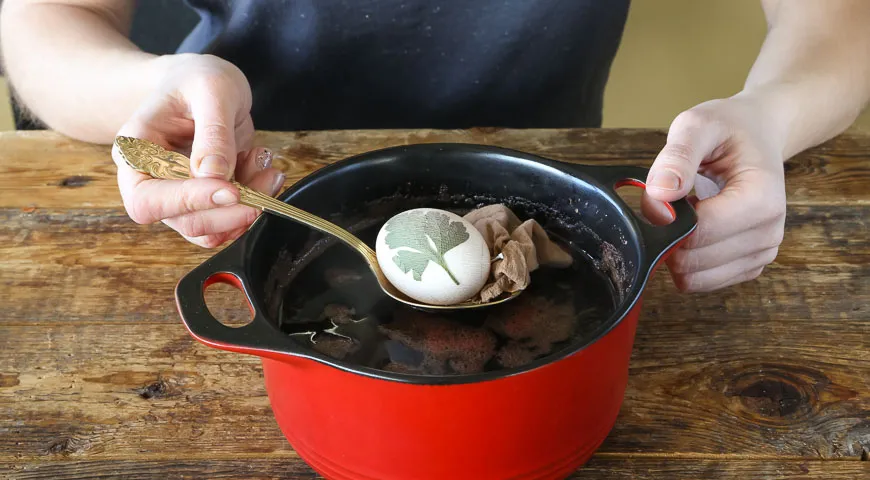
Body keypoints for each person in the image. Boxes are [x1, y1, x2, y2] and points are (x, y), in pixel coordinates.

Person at [2, 1, 869, 294]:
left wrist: (769, 115)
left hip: (549, 165)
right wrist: (141, 93)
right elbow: (44, 20)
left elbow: (833, 20)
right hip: (243, 180)